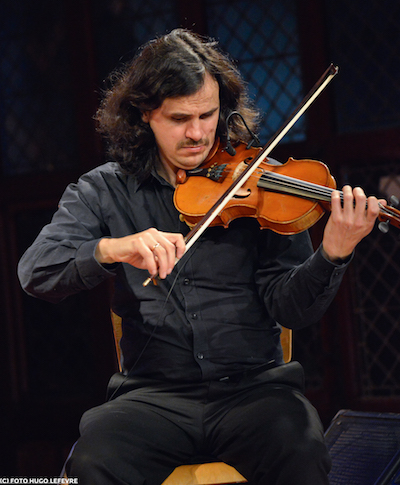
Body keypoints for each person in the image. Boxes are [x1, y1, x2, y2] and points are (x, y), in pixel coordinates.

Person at [18, 29, 382, 485]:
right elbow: (37, 272)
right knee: (92, 459)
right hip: (152, 397)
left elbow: (292, 308)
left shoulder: (259, 184)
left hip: (256, 394)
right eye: (178, 118)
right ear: (145, 114)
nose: (196, 133)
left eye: (207, 115)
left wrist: (334, 252)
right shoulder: (102, 189)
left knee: (302, 450)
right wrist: (115, 248)